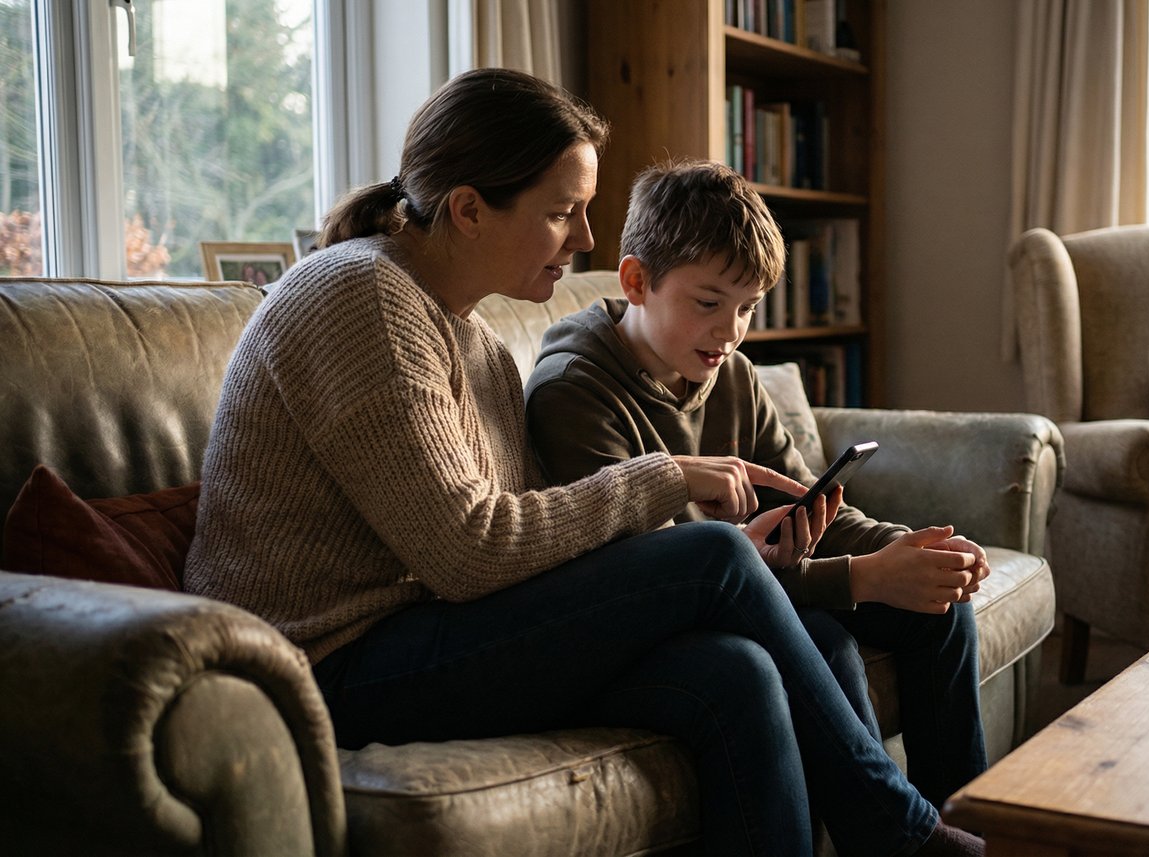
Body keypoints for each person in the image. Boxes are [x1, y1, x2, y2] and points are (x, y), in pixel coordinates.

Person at [182, 68, 982, 857]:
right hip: (326, 663)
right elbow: (470, 551)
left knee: (735, 671)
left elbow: (529, 544)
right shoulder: (359, 298)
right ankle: (904, 836)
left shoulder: (477, 344)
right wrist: (667, 479)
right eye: (563, 212)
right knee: (712, 551)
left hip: (431, 630)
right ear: (468, 210)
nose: (589, 240)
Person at [524, 159, 992, 810]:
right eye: (709, 303)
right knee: (827, 644)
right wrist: (862, 575)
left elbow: (811, 503)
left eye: (747, 308)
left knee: (938, 603)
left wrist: (912, 550)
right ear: (636, 281)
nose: (730, 330)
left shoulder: (733, 376)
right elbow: (661, 585)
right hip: (668, 621)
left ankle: (960, 813)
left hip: (757, 583)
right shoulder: (575, 393)